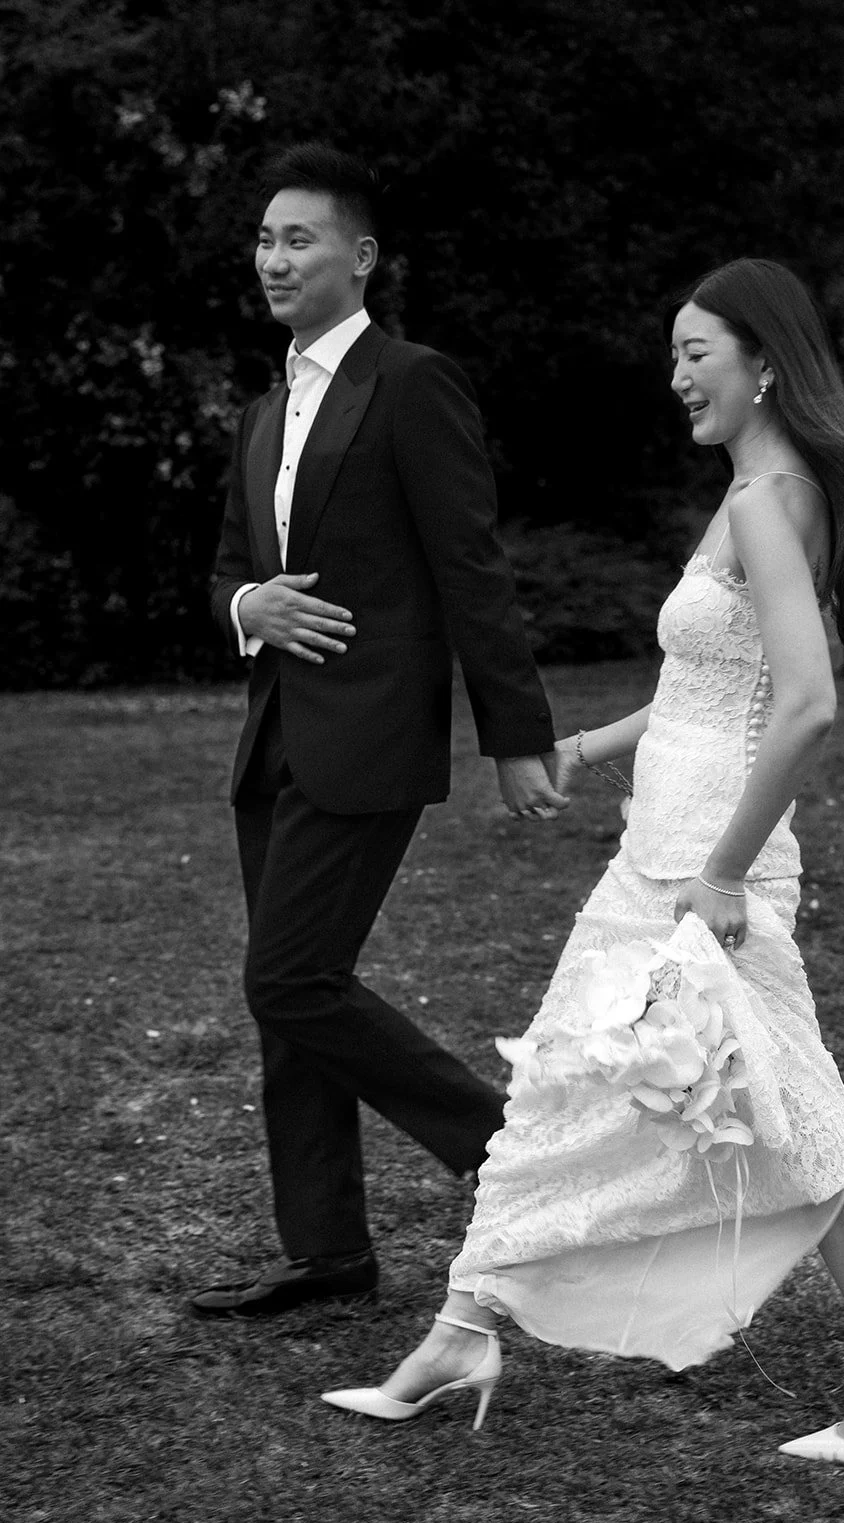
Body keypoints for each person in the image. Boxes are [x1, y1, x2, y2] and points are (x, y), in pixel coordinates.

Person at [322, 258, 844, 1467]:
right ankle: (463, 1326)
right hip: (654, 857)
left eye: (697, 353)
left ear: (765, 361)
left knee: (790, 1122)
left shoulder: (771, 500)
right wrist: (584, 743)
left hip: (709, 880)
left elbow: (807, 703)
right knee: (561, 1080)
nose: (677, 378)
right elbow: (705, 692)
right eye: (672, 355)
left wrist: (722, 874)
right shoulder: (754, 493)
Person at [195, 144, 566, 1318]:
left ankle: (511, 1152)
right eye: (263, 240)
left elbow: (470, 562)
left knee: (291, 978)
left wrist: (515, 732)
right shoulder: (264, 412)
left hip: (370, 739)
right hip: (274, 746)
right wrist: (250, 607)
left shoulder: (412, 382)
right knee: (289, 996)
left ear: (360, 258)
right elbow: (225, 574)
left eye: (297, 238)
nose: (273, 258)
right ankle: (326, 1252)